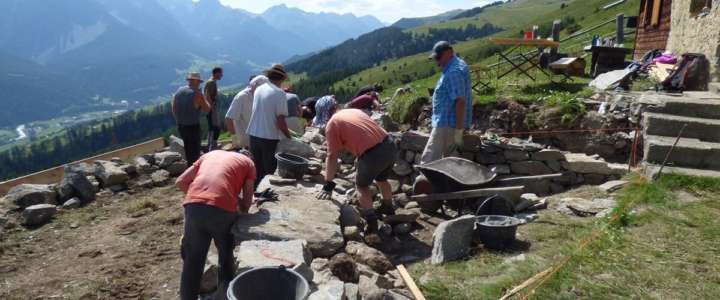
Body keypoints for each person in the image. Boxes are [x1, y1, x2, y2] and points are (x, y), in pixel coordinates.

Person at [176, 150, 256, 300]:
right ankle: (225, 295)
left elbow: (180, 182)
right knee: (226, 256)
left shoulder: (210, 155)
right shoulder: (249, 163)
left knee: (192, 261)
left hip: (193, 206)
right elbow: (246, 204)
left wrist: (201, 197)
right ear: (249, 157)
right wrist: (236, 203)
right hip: (222, 209)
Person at [316, 108, 397, 233]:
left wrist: (328, 184)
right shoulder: (353, 111)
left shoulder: (332, 124)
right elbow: (363, 133)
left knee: (361, 186)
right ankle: (388, 207)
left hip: (372, 153)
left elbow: (331, 156)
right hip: (389, 144)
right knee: (382, 179)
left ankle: (371, 224)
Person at [420, 41, 472, 164]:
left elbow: (460, 101)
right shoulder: (455, 65)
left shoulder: (454, 72)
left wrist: (459, 130)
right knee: (449, 162)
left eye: (438, 57)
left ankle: (424, 182)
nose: (437, 62)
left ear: (449, 53)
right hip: (448, 123)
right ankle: (446, 183)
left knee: (429, 161)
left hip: (446, 123)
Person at [246, 64, 292, 185]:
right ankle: (264, 194)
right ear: (282, 79)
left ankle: (253, 195)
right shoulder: (280, 93)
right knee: (268, 170)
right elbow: (280, 121)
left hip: (253, 134)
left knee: (256, 168)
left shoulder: (259, 89)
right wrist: (289, 137)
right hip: (269, 137)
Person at [172, 72, 212, 166]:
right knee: (194, 153)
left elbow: (173, 108)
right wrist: (207, 99)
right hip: (193, 127)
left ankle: (190, 170)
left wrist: (179, 120)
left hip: (181, 126)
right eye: (199, 82)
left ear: (189, 81)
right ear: (196, 81)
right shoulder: (197, 94)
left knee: (188, 150)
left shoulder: (179, 91)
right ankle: (194, 173)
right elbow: (207, 109)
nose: (199, 84)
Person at [225, 75, 270, 149]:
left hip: (259, 140)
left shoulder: (260, 96)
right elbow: (228, 118)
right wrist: (234, 138)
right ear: (254, 85)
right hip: (245, 143)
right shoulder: (241, 97)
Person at [204, 67, 223, 151]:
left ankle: (212, 145)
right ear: (216, 73)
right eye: (221, 73)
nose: (222, 75)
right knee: (214, 128)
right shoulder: (211, 83)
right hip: (212, 109)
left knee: (213, 127)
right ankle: (212, 147)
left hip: (211, 109)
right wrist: (211, 109)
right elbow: (208, 97)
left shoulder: (212, 82)